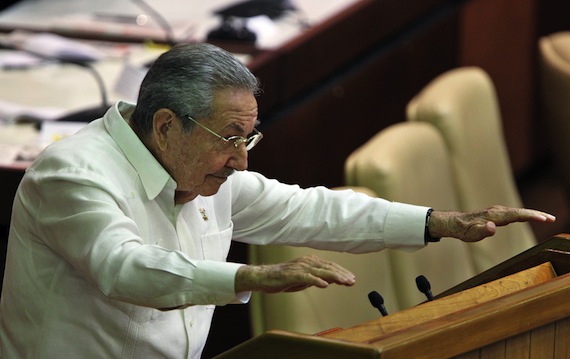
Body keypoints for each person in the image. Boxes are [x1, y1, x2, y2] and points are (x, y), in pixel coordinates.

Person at [0, 43, 555, 359]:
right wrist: (247, 279)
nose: (242, 160)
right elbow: (125, 269)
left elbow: (313, 209)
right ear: (166, 126)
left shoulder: (205, 173)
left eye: (249, 138)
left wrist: (439, 222)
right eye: (230, 138)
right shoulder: (72, 176)